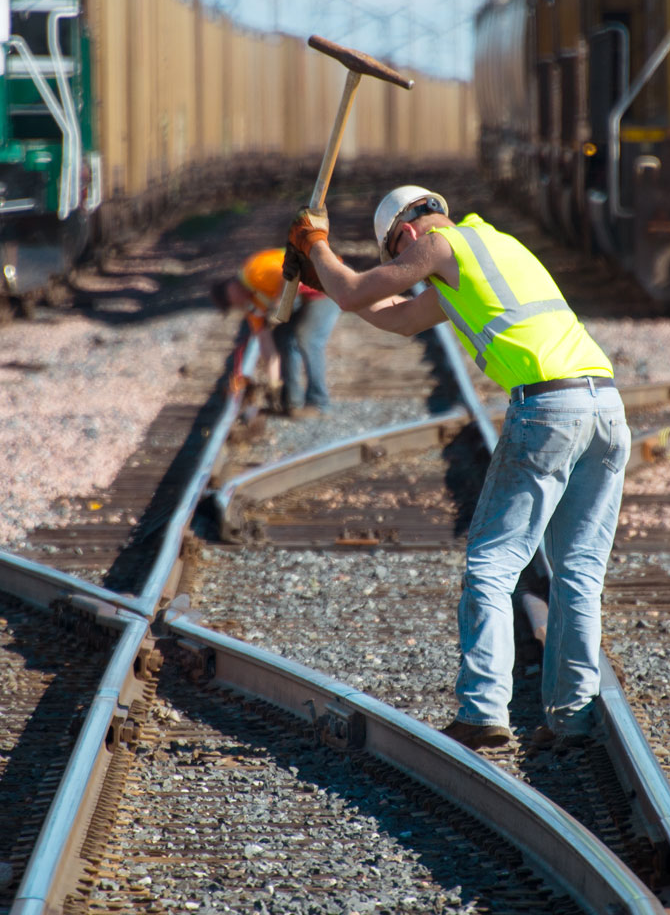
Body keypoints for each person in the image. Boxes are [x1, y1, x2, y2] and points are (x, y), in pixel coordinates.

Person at [286, 186, 630, 750]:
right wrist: (324, 274)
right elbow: (396, 318)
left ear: (409, 231)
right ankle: (571, 721)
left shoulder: (439, 245)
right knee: (579, 572)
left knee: (492, 565)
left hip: (547, 409)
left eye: (397, 251)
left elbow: (354, 291)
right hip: (606, 409)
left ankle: (483, 709)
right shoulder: (492, 249)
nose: (403, 264)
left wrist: (317, 246)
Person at [211, 247, 339, 418]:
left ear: (230, 288)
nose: (237, 305)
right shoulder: (253, 306)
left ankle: (320, 404)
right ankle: (292, 402)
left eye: (231, 302)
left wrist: (279, 306)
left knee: (308, 339)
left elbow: (291, 276)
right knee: (282, 339)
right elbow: (266, 344)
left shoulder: (254, 270)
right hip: (306, 293)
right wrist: (273, 383)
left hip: (328, 280)